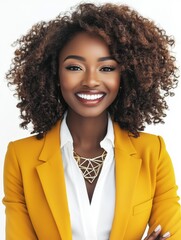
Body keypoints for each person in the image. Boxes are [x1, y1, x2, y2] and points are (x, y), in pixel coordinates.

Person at [2, 2, 181, 240]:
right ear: (54, 73)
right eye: (75, 67)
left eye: (106, 68)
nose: (91, 81)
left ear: (125, 76)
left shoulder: (152, 153)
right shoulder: (21, 157)